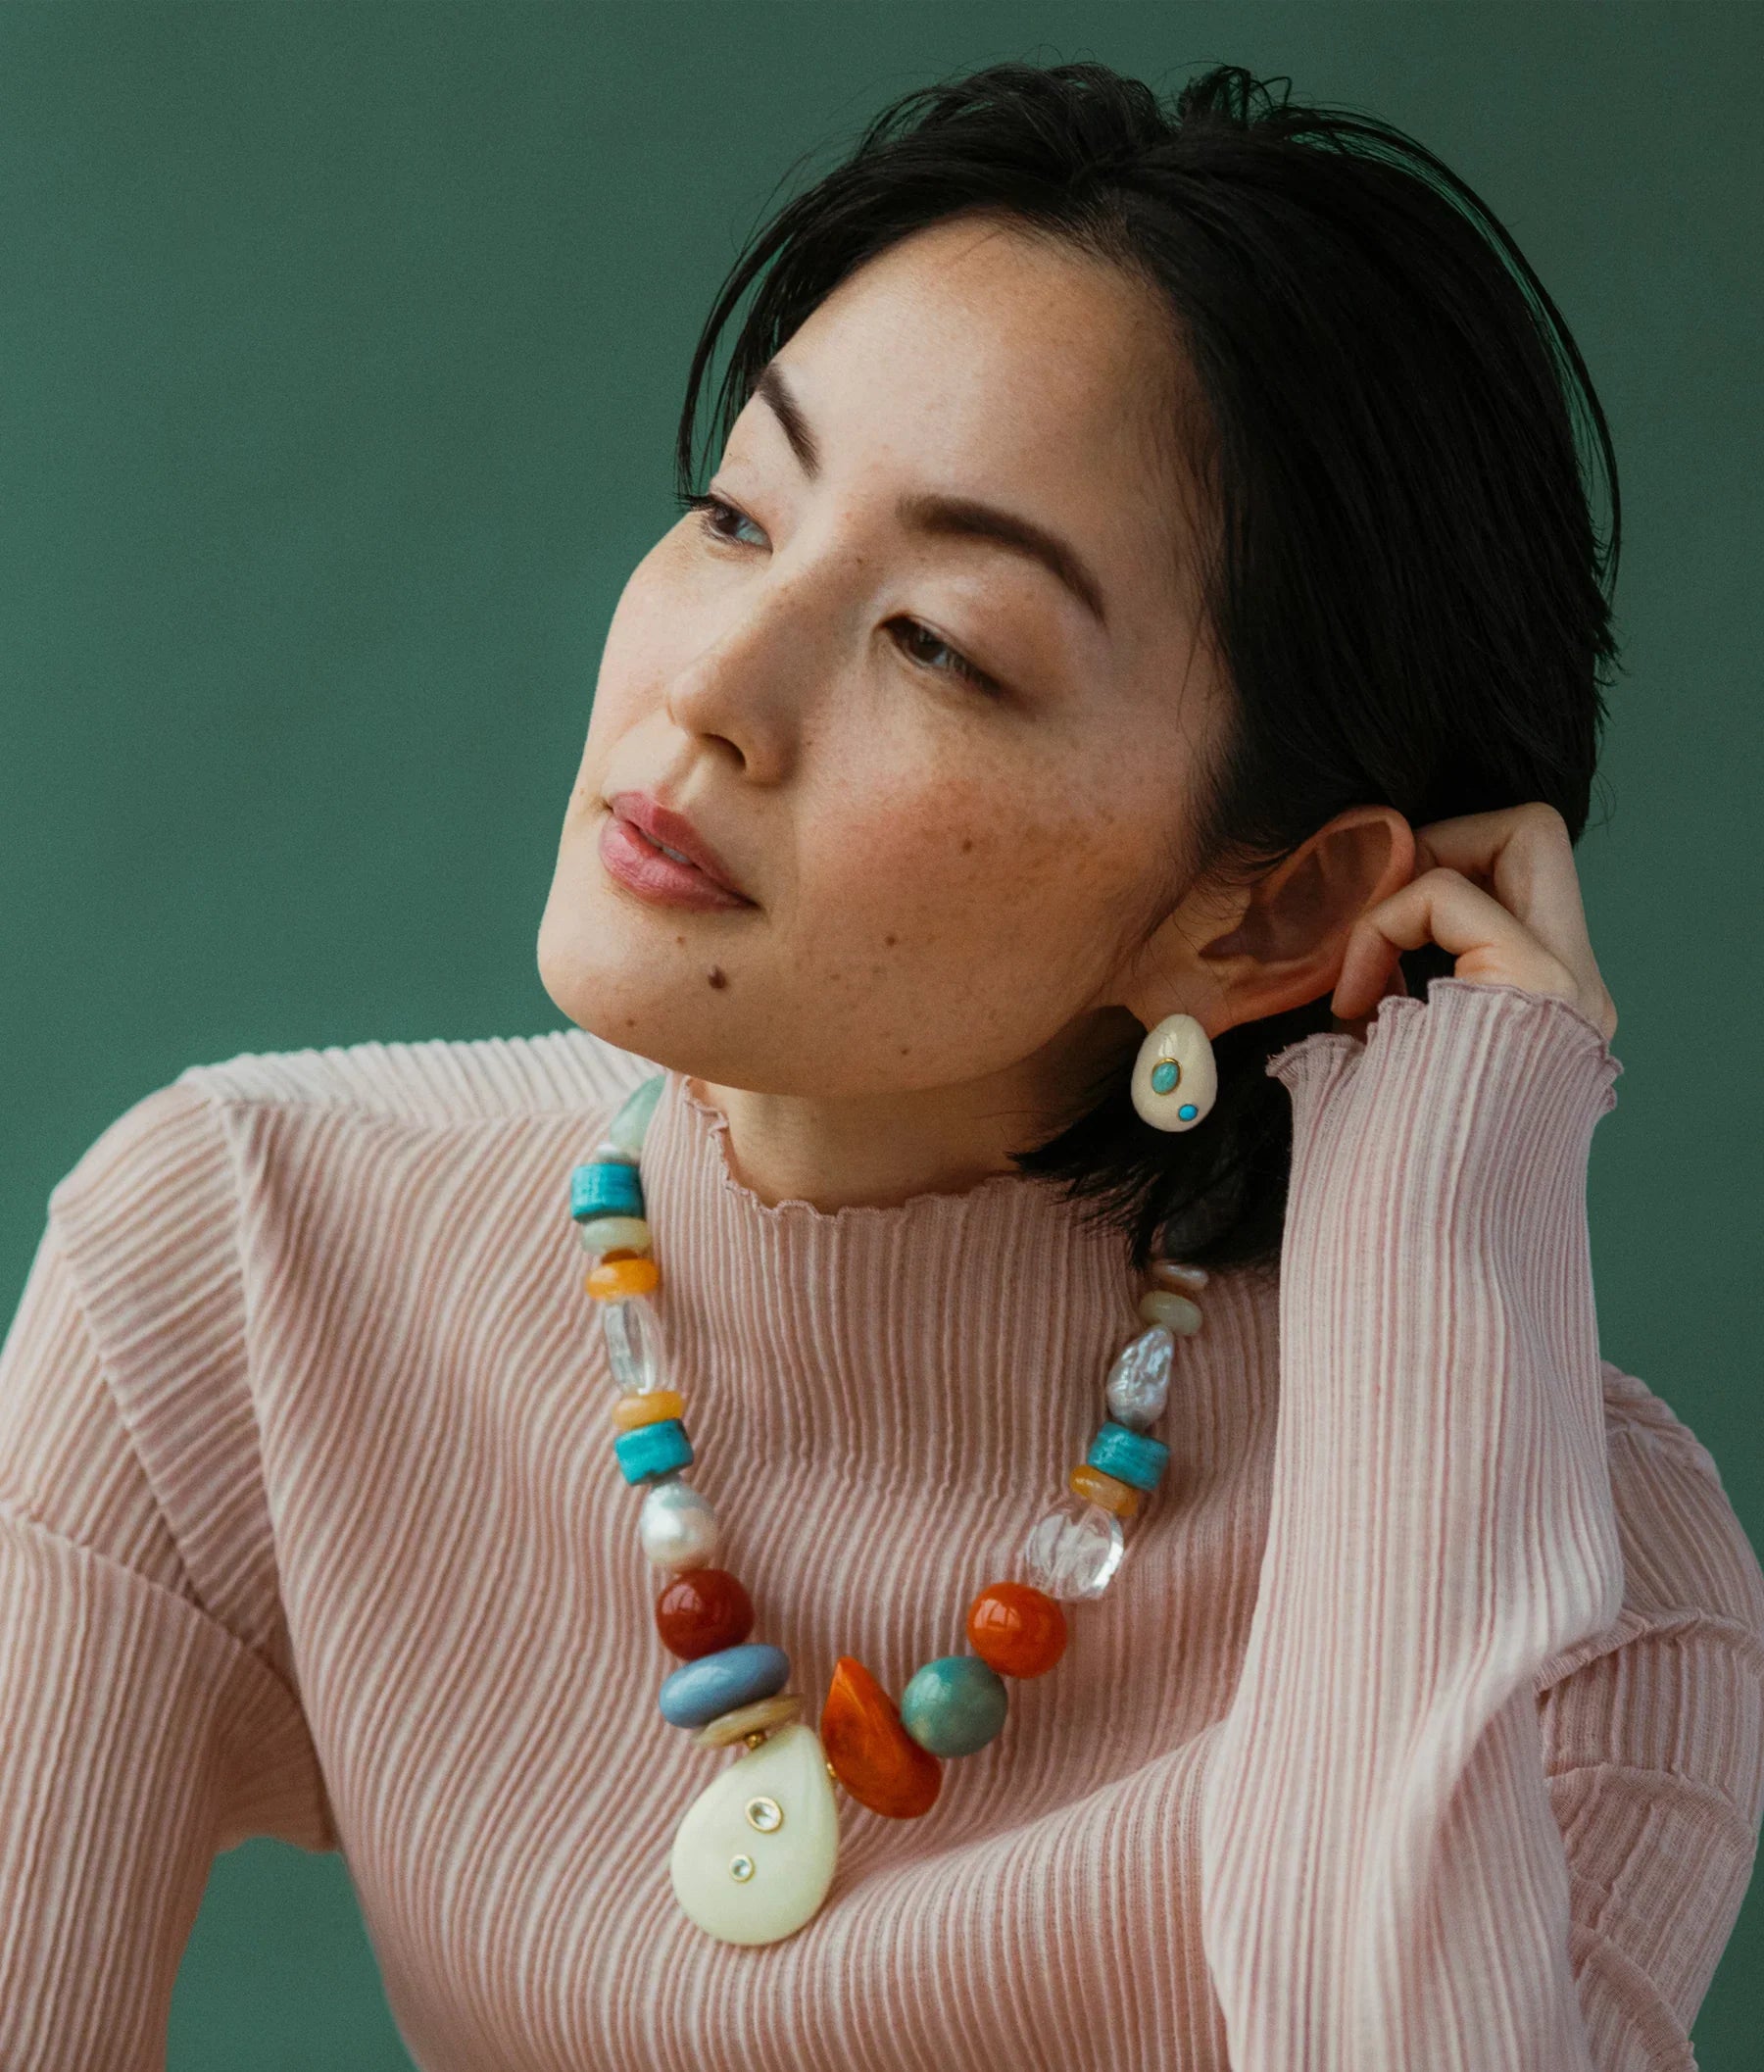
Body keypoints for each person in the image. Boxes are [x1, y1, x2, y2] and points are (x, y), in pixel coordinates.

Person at [2, 57, 1759, 2072]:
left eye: (937, 639)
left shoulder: (1594, 1589)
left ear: (1268, 913)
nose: (712, 688)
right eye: (737, 511)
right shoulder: (240, 1256)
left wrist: (1447, 1199)